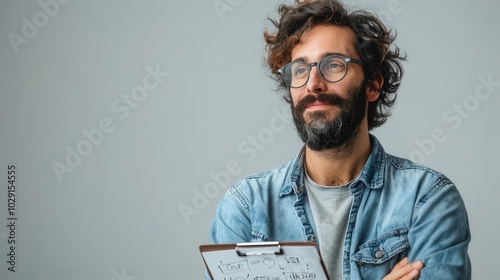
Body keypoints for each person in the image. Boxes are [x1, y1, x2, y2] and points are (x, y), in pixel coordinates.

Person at [209, 0, 471, 279]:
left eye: (333, 65)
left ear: (372, 85)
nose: (313, 83)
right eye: (299, 69)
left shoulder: (427, 199)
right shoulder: (246, 207)